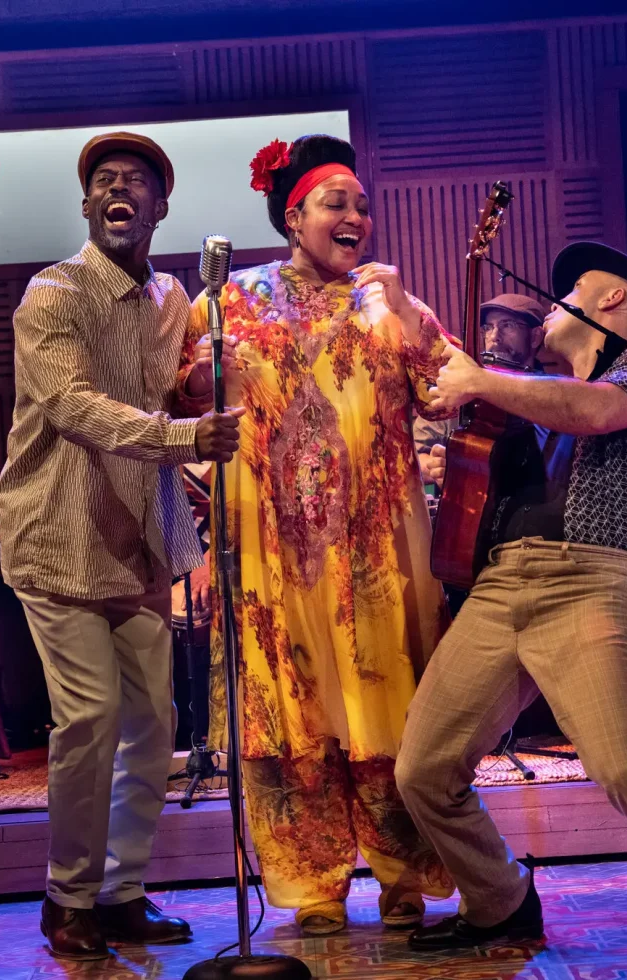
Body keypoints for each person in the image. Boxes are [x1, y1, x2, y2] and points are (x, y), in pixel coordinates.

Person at [175, 134, 455, 936]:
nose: (357, 217)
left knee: (389, 708)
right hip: (273, 555)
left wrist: (403, 312)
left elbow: (448, 392)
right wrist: (202, 374)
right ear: (294, 216)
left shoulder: (387, 300)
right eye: (338, 203)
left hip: (376, 552)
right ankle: (313, 886)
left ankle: (405, 878)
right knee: (289, 713)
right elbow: (187, 395)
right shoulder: (232, 301)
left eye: (364, 205)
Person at [0, 132, 244, 961]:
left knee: (152, 723)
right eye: (104, 179)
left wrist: (201, 387)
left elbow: (170, 386)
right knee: (90, 717)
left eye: (136, 181)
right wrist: (184, 435)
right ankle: (69, 900)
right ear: (86, 205)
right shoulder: (53, 293)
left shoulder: (175, 296)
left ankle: (121, 890)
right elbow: (73, 405)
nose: (118, 189)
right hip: (58, 538)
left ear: (160, 209)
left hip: (140, 543)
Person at [395, 241, 627, 950]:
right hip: (499, 584)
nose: (556, 300)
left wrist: (482, 380)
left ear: (613, 301)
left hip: (591, 581)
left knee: (622, 767)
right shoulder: (533, 391)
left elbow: (599, 412)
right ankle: (500, 901)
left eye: (574, 287)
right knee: (423, 769)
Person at [415, 293, 545, 490]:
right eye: (488, 328)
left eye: (507, 325)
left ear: (535, 337)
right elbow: (416, 453)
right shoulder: (460, 388)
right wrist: (438, 467)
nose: (494, 337)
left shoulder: (555, 393)